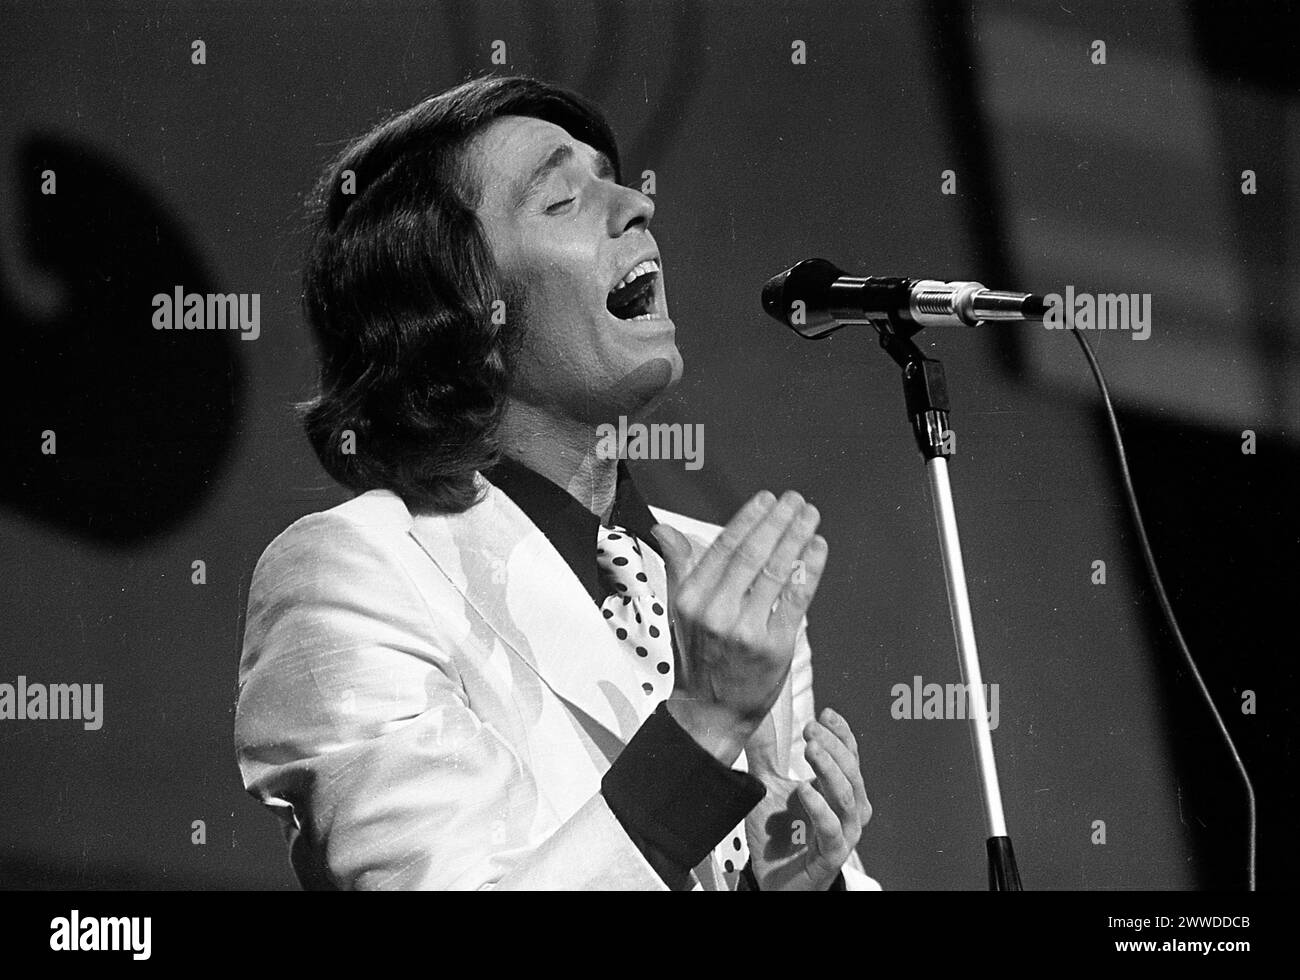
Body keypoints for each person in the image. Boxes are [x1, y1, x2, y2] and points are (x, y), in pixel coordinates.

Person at [234, 74, 879, 891]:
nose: (634, 205)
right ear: (460, 308)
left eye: (613, 176)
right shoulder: (353, 570)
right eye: (560, 200)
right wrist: (704, 726)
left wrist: (792, 888)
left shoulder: (722, 576)